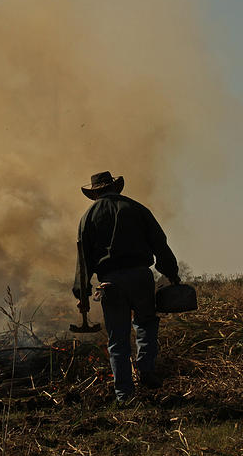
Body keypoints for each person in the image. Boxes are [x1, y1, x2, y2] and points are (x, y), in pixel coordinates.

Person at [72, 171, 180, 403]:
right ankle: (146, 368)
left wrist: (82, 294)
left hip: (110, 282)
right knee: (146, 323)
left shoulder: (88, 217)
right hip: (141, 277)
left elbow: (84, 261)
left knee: (117, 339)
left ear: (95, 192)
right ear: (115, 187)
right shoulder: (138, 209)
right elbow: (160, 244)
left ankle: (124, 394)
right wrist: (172, 274)